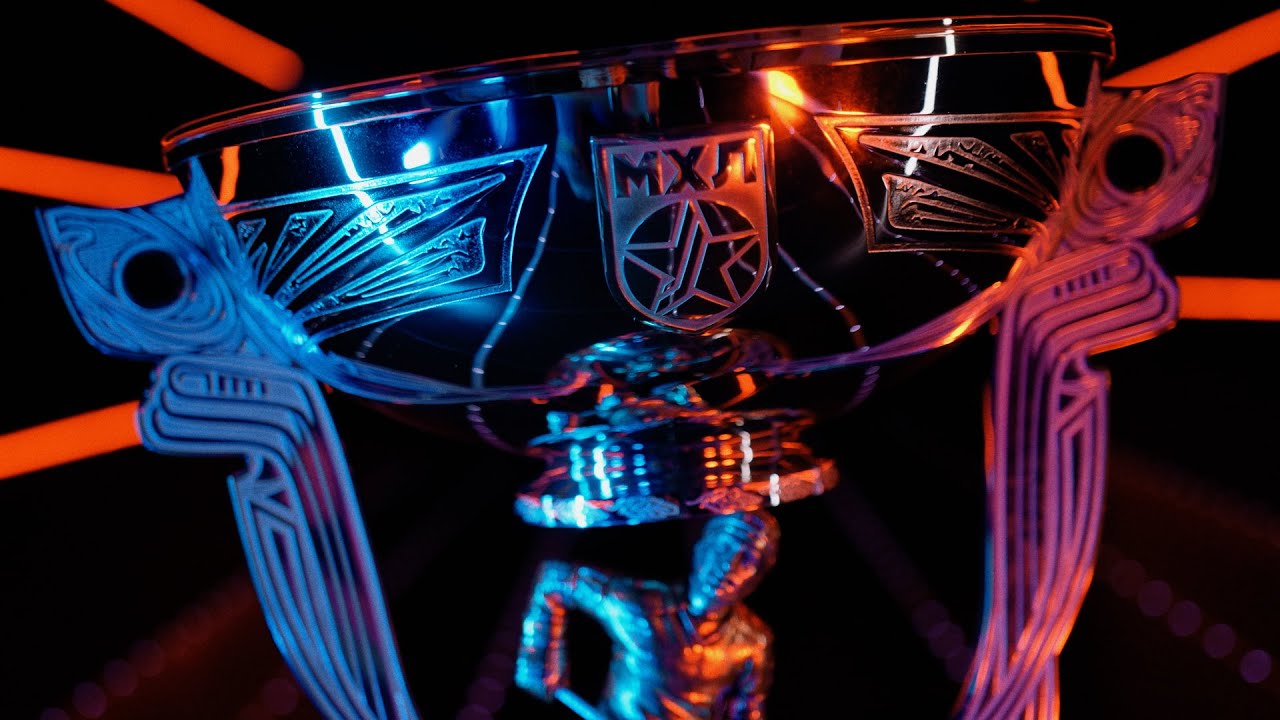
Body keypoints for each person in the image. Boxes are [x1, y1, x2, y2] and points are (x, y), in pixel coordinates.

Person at [516, 509, 781, 719]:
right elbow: (555, 579)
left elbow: (747, 710)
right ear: (701, 548)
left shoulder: (752, 642)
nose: (727, 566)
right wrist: (537, 654)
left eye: (746, 559)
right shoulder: (642, 609)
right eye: (721, 548)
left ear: (756, 578)